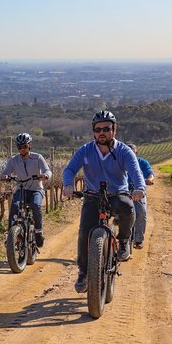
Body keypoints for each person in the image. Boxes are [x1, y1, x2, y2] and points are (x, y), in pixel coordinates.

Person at [62, 111, 146, 294]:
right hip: (93, 195)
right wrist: (68, 184)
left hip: (117, 193)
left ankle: (123, 241)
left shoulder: (123, 151)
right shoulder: (85, 151)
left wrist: (140, 188)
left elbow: (136, 172)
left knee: (127, 207)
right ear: (93, 131)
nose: (102, 132)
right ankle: (83, 272)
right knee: (85, 231)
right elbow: (69, 169)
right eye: (98, 129)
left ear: (114, 130)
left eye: (106, 129)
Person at [0, 132, 52, 248]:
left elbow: (47, 171)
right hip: (21, 188)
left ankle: (38, 232)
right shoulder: (14, 160)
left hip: (36, 189)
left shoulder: (38, 158)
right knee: (14, 205)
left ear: (30, 145)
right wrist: (4, 177)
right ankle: (11, 234)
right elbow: (4, 173)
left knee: (36, 206)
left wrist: (45, 176)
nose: (22, 150)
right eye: (19, 147)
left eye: (24, 147)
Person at [126, 143, 155, 249]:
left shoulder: (142, 162)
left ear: (136, 153)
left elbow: (149, 174)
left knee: (141, 212)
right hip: (123, 191)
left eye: (132, 153)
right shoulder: (119, 163)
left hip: (138, 191)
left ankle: (138, 239)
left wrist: (150, 180)